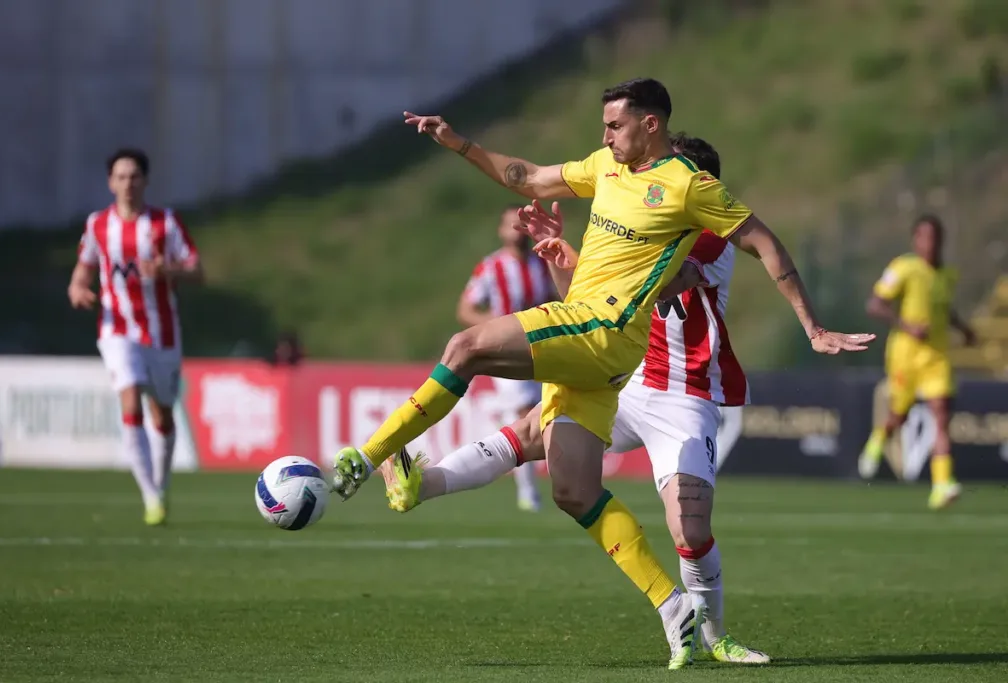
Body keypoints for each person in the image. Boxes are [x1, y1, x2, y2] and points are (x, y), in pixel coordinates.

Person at [331, 78, 872, 669]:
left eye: (615, 125)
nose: (606, 135)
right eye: (605, 125)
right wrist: (460, 145)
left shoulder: (698, 212)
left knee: (470, 350)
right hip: (626, 371)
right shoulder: (608, 173)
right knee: (566, 482)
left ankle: (369, 453)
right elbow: (532, 182)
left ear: (651, 126)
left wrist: (814, 328)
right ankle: (673, 609)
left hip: (672, 382)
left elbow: (703, 265)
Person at [382, 133, 767, 665]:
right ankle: (421, 482)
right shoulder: (641, 219)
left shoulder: (710, 238)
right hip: (627, 375)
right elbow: (585, 303)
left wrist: (592, 253)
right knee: (526, 436)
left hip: (684, 394)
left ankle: (716, 635)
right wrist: (565, 258)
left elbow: (658, 278)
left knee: (689, 527)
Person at [68, 148, 203, 526]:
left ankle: (160, 485)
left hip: (162, 332)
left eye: (134, 176)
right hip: (117, 329)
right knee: (129, 397)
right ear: (111, 182)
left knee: (162, 413)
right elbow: (82, 272)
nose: (128, 183)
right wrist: (78, 290)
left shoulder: (165, 224)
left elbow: (198, 270)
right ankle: (149, 496)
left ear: (145, 181)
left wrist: (168, 269)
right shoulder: (98, 225)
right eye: (121, 176)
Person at [858, 215, 976, 509]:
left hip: (936, 355)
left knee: (941, 414)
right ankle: (878, 438)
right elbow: (875, 305)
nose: (930, 243)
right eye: (924, 237)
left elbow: (944, 310)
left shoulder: (947, 274)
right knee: (901, 414)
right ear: (915, 240)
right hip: (905, 354)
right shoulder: (903, 268)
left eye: (935, 238)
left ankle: (941, 485)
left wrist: (963, 329)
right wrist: (907, 326)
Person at [458, 205, 559, 512]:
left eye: (521, 224)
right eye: (510, 224)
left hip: (543, 350)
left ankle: (534, 483)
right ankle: (529, 493)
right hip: (507, 351)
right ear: (501, 231)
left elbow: (557, 302)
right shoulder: (491, 267)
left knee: (539, 418)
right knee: (524, 413)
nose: (517, 229)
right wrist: (494, 329)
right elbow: (465, 309)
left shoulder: (543, 265)